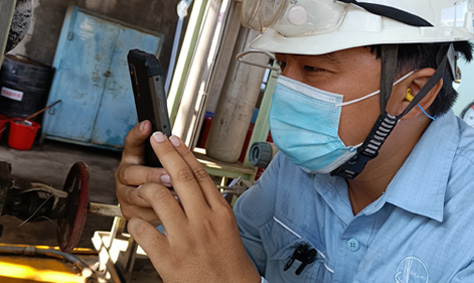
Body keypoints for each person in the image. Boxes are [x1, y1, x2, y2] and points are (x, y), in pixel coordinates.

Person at [115, 0, 474, 282]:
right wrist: (165, 207)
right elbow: (222, 257)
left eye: (314, 69)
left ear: (412, 93)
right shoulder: (302, 165)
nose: (286, 90)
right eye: (281, 66)